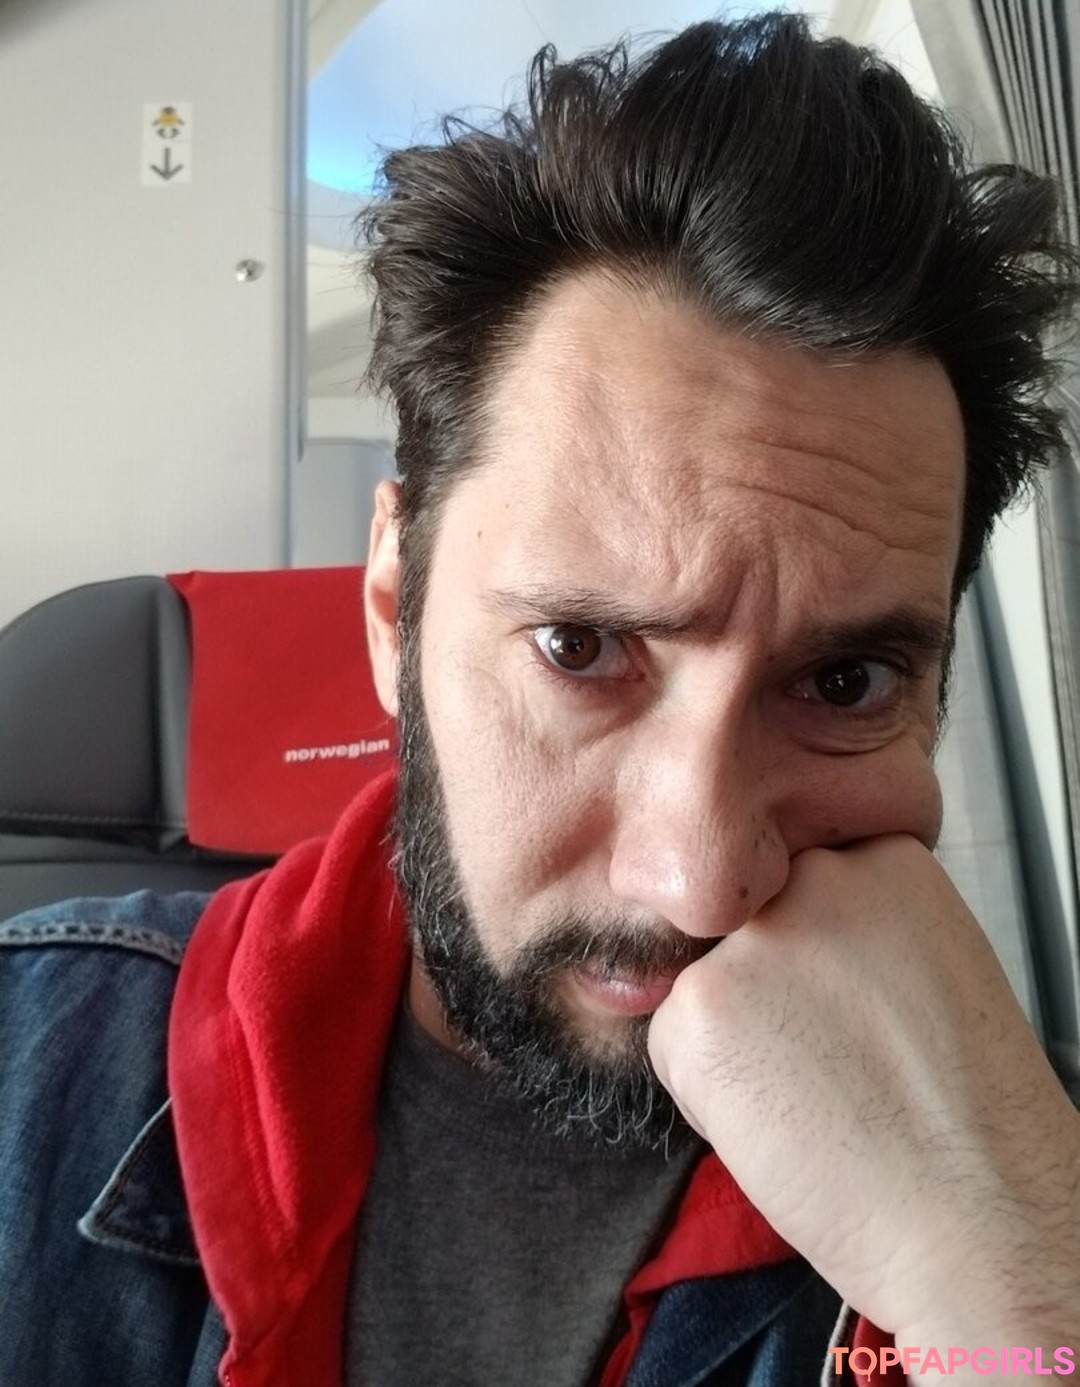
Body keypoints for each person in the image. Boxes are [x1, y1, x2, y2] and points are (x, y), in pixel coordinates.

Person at [2, 12, 1079, 1386]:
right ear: (394, 609)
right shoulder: (28, 1069)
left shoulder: (1025, 1187)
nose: (699, 879)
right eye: (579, 648)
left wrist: (1010, 1275)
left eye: (845, 681)